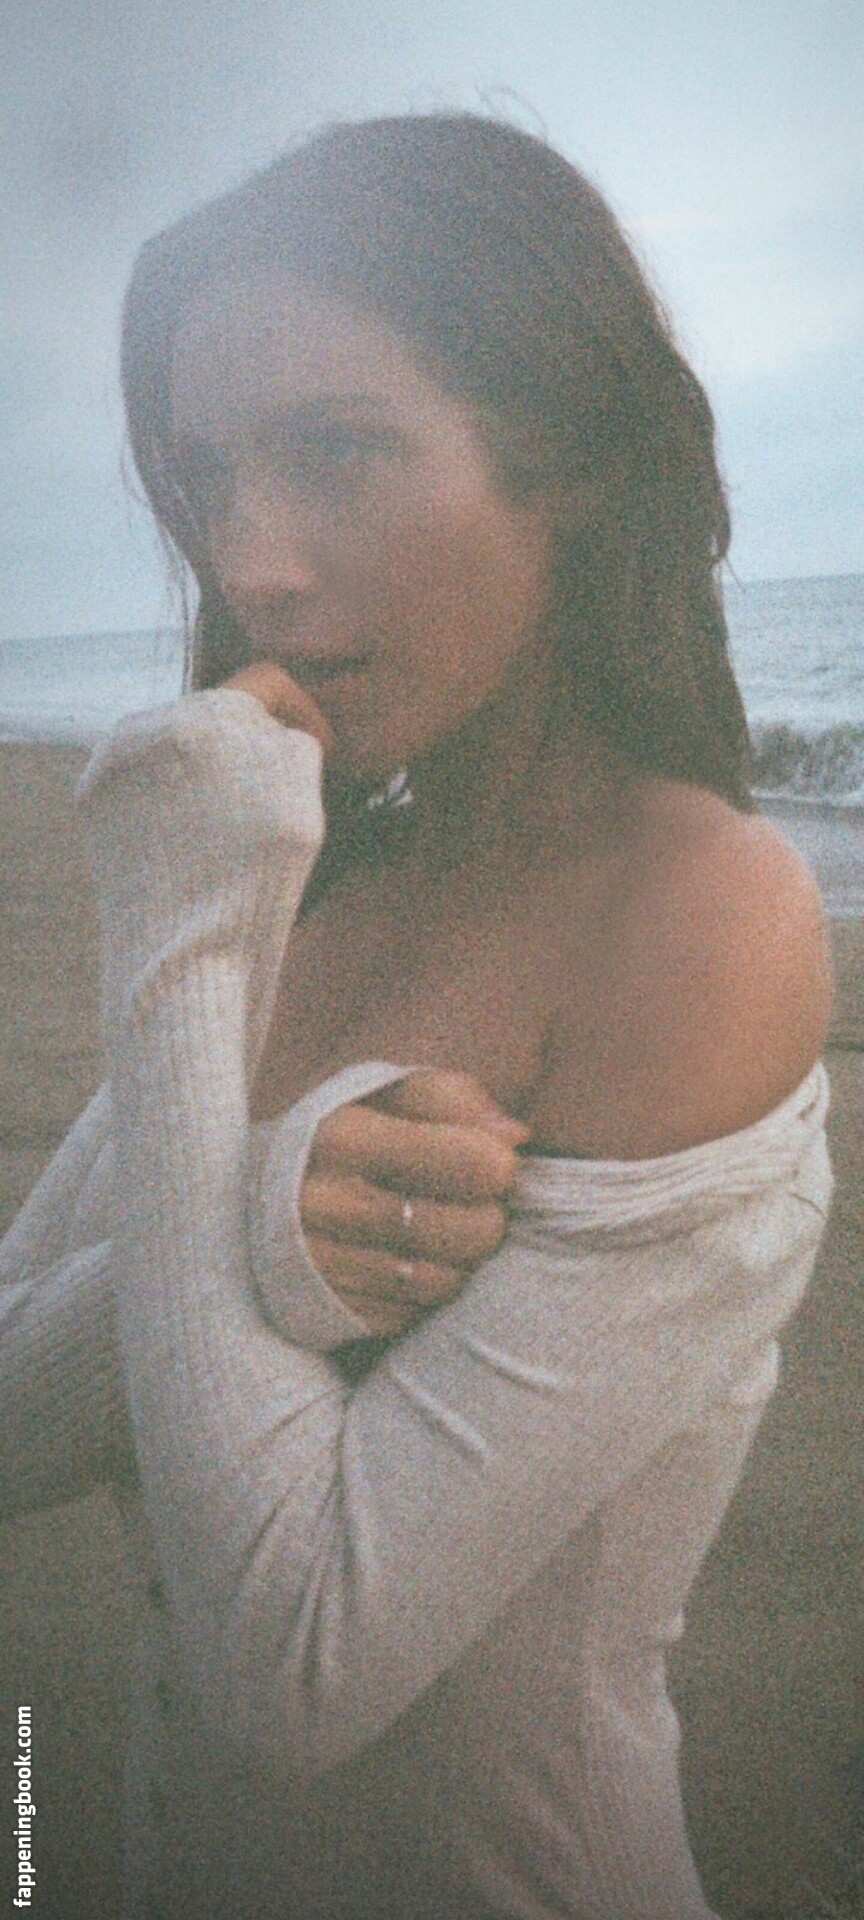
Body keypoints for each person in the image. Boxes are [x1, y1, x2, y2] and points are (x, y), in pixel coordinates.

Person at [0, 113, 834, 1919]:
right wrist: (265, 1218)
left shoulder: (696, 914)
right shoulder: (312, 880)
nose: (251, 561)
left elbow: (291, 1662)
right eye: (208, 475)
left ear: (575, 461)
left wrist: (176, 934)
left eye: (340, 450)